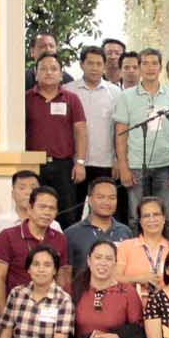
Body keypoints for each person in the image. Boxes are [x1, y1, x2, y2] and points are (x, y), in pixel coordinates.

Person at [113, 50, 169, 222]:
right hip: (136, 166)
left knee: (166, 218)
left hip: (166, 166)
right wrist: (123, 167)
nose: (150, 68)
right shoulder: (126, 97)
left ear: (160, 68)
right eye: (145, 63)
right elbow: (120, 135)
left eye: (154, 63)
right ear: (139, 67)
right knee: (135, 217)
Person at [23, 55, 88, 229]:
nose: (48, 73)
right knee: (34, 210)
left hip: (64, 166)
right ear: (35, 73)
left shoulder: (71, 99)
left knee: (66, 213)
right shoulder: (25, 99)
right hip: (34, 165)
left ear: (61, 74)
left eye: (53, 69)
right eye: (43, 68)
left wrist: (80, 162)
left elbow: (80, 131)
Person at [0, 186, 69, 308]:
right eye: (42, 207)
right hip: (16, 308)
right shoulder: (7, 236)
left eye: (52, 208)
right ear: (30, 209)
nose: (47, 212)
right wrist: (3, 316)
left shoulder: (60, 238)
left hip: (49, 309)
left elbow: (61, 278)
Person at [67, 47, 122, 213]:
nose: (94, 67)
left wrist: (118, 159)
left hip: (105, 163)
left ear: (104, 66)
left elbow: (118, 128)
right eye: (90, 63)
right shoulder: (68, 90)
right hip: (75, 163)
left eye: (99, 64)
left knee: (102, 211)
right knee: (72, 211)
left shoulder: (115, 92)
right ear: (81, 64)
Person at [65, 179, 132, 273]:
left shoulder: (125, 232)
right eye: (101, 197)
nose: (106, 202)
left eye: (112, 198)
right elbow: (65, 272)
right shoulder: (71, 234)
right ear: (90, 200)